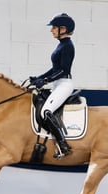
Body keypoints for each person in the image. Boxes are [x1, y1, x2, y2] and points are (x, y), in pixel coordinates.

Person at [30, 13, 75, 157]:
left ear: (63, 29)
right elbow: (55, 69)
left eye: (54, 27)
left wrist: (44, 81)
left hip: (64, 84)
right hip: (57, 84)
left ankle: (63, 145)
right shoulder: (61, 45)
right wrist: (40, 77)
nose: (52, 30)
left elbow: (63, 70)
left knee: (46, 111)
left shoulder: (67, 46)